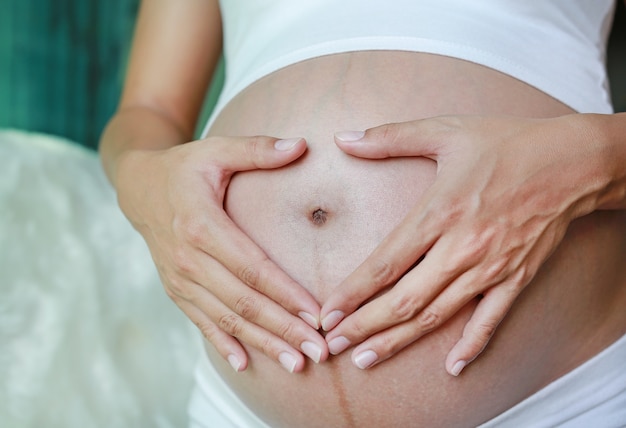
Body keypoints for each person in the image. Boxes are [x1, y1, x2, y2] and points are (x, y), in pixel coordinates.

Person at [100, 0, 626, 426]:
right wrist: (141, 182)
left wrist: (584, 163)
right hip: (239, 406)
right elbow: (149, 111)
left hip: (559, 396)